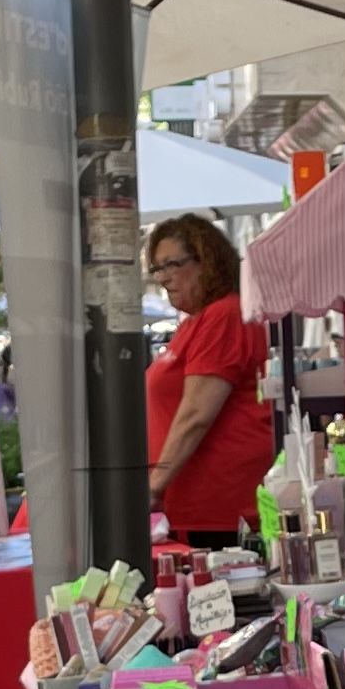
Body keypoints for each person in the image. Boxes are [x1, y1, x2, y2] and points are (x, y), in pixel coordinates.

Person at [143, 212, 274, 545]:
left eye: (172, 264)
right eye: (158, 268)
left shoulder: (224, 315)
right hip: (195, 505)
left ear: (206, 262)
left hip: (219, 506)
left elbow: (196, 415)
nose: (163, 278)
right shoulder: (195, 323)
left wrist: (155, 483)